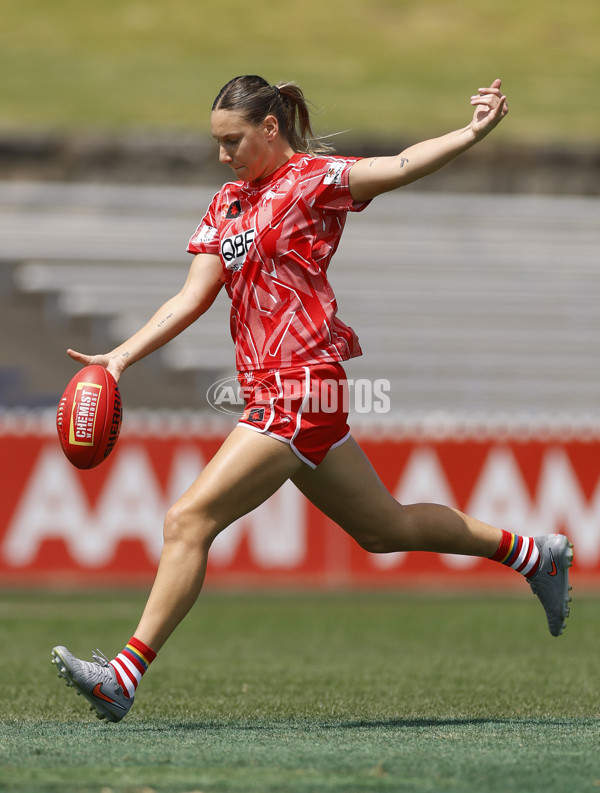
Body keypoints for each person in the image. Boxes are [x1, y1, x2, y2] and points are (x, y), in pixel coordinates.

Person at [51, 75, 573, 723]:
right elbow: (191, 297)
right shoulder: (228, 203)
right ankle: (533, 553)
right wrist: (121, 355)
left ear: (269, 128)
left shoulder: (315, 180)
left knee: (188, 520)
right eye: (217, 144)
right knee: (385, 528)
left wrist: (471, 133)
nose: (223, 156)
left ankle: (123, 674)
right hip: (276, 393)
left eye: (233, 141)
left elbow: (401, 165)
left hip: (301, 385)